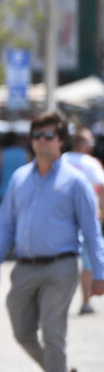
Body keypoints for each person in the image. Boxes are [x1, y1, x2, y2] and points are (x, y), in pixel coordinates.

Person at [0, 112, 104, 372]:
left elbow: (92, 231)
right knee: (22, 332)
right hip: (24, 267)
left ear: (61, 141)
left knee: (54, 333)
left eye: (48, 136)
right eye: (37, 136)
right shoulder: (20, 178)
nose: (41, 141)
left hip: (60, 267)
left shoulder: (75, 182)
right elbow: (5, 223)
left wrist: (99, 273)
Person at [63, 126, 104, 315]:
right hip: (89, 217)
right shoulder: (91, 163)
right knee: (87, 261)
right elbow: (102, 187)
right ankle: (85, 302)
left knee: (61, 260)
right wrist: (101, 209)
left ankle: (58, 301)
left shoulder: (61, 161)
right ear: (86, 145)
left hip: (63, 217)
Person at [0, 132, 29, 233]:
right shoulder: (26, 154)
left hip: (2, 194)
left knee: (0, 225)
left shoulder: (0, 155)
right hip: (21, 194)